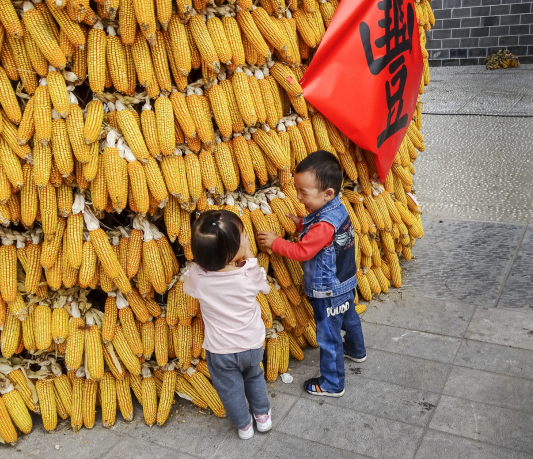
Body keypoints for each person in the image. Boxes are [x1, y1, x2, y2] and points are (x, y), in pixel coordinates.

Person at [258, 150, 366, 398]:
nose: (298, 197)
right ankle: (357, 350)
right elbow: (322, 233)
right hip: (345, 281)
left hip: (327, 291)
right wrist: (301, 223)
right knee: (349, 318)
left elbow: (303, 251)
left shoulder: (323, 225)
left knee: (328, 337)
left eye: (303, 193)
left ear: (327, 193)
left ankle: (332, 383)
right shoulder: (337, 209)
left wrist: (276, 243)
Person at [183, 210, 272, 440]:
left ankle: (244, 426)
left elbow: (188, 285)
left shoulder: (198, 279)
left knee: (230, 388)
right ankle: (263, 417)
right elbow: (264, 287)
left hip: (220, 350)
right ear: (233, 251)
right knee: (254, 377)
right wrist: (249, 255)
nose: (246, 237)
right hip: (251, 344)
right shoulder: (248, 274)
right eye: (243, 236)